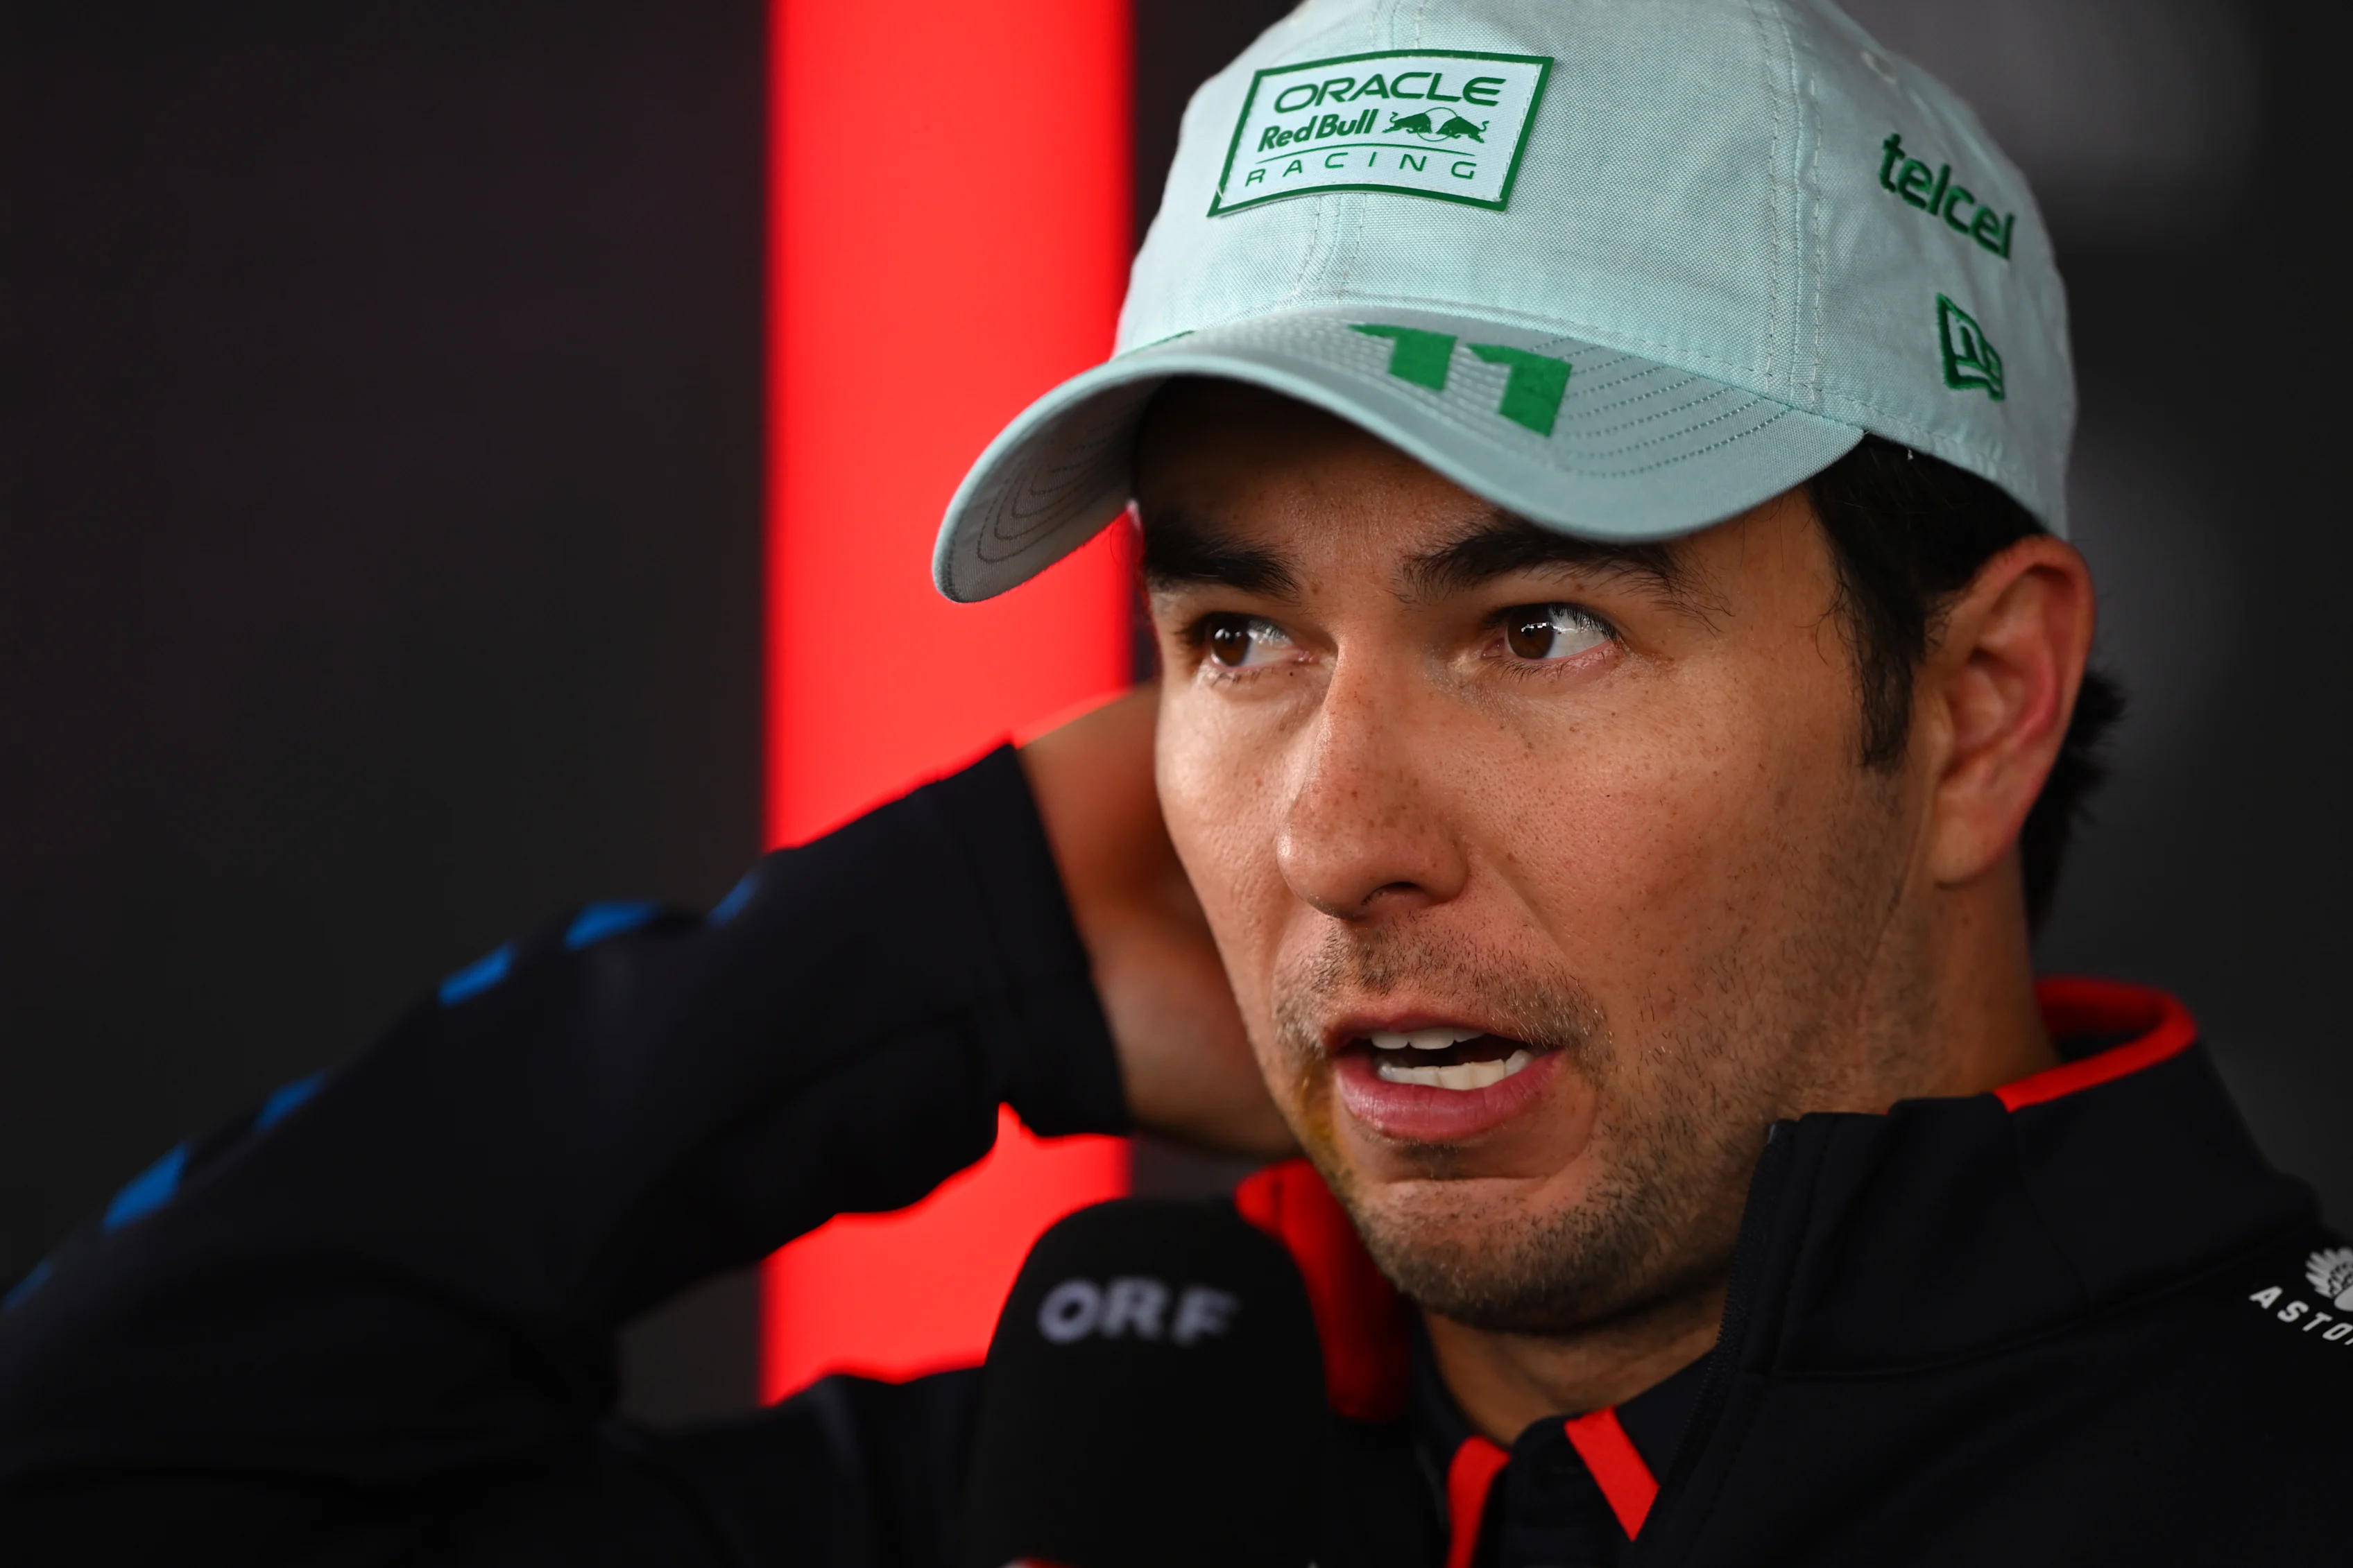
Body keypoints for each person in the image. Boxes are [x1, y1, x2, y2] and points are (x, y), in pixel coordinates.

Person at [2, 0, 2343, 1561]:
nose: (1330, 836)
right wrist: (947, 944)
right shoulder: (1098, 1474)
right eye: (1239, 636)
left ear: (1978, 706)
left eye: (1539, 628)